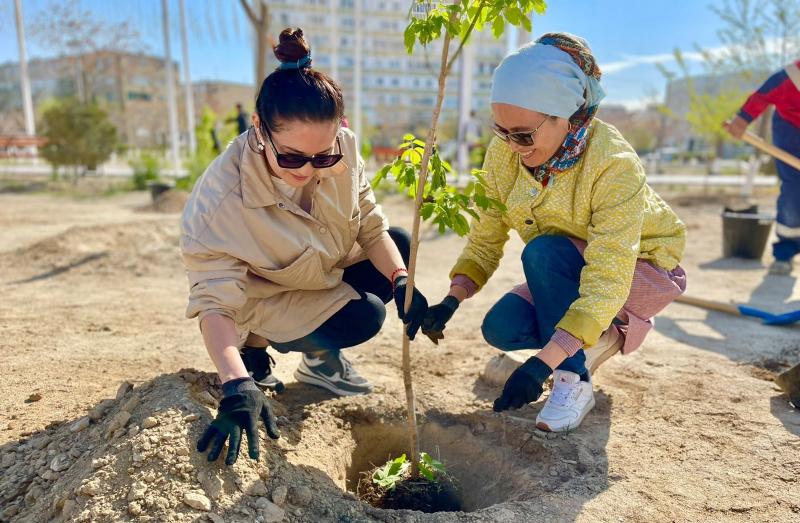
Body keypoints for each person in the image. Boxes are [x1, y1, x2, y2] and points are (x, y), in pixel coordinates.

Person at [181, 28, 429, 464]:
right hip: (263, 295)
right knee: (365, 317)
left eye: (324, 157)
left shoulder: (345, 148)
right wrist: (235, 385)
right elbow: (213, 301)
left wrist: (402, 279)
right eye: (293, 157)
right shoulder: (220, 200)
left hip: (316, 268)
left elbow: (370, 226)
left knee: (399, 246)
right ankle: (255, 350)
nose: (310, 169)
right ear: (259, 129)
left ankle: (316, 360)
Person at [421, 33, 687, 433]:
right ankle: (592, 338)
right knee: (501, 327)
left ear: (568, 115)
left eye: (523, 135)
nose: (512, 146)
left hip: (640, 269)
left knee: (542, 252)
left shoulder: (614, 165)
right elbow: (488, 233)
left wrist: (543, 365)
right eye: (501, 131)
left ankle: (574, 380)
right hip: (567, 267)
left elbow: (606, 279)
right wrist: (452, 299)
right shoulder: (505, 155)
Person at [724, 59, 800, 275]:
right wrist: (742, 119)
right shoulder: (792, 76)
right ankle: (785, 251)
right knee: (794, 191)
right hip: (791, 129)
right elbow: (762, 95)